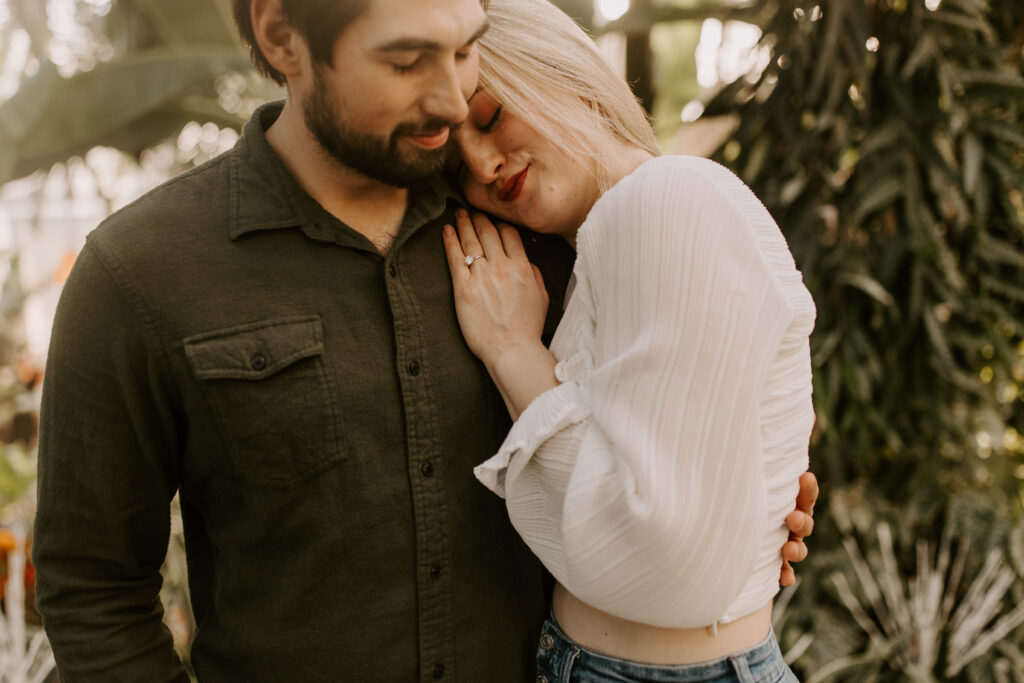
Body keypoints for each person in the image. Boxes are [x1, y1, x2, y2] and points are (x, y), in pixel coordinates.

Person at [32, 0, 815, 680]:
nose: (451, 100)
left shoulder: (543, 229)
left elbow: (680, 450)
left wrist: (739, 515)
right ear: (281, 35)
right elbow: (93, 588)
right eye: (408, 60)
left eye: (467, 50)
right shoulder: (139, 273)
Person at [442, 0, 817, 680]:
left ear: (563, 71)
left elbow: (664, 554)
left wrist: (511, 348)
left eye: (491, 117)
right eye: (455, 166)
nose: (483, 165)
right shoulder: (615, 234)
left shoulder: (666, 199)